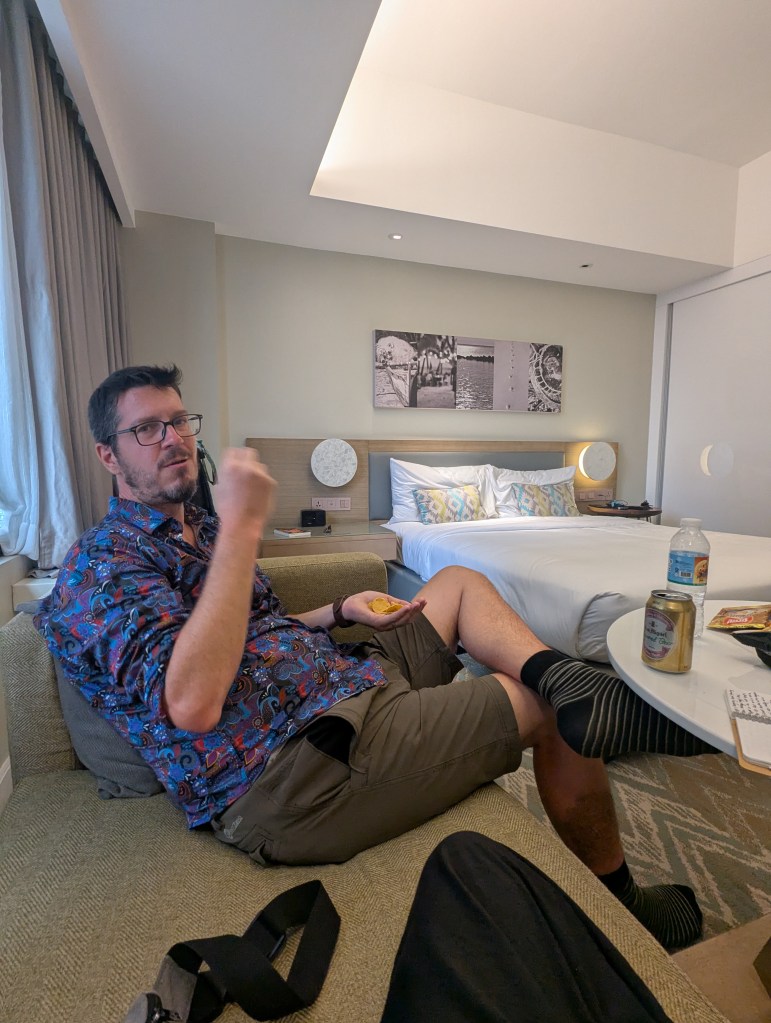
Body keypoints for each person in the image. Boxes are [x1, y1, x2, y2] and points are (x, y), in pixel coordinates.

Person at [34, 365, 716, 951]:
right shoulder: (103, 567)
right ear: (107, 455)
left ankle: (569, 678)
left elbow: (249, 629)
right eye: (147, 429)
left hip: (337, 681)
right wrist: (245, 526)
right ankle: (619, 891)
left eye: (181, 422)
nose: (174, 441)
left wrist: (334, 611)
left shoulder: (202, 529)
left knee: (456, 583)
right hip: (288, 770)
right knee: (541, 710)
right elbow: (191, 700)